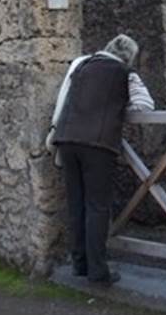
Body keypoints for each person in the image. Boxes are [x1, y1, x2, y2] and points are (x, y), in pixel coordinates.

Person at [46, 34, 154, 284]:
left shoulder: (81, 66)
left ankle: (80, 264)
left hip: (67, 139)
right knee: (97, 207)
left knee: (76, 204)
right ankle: (97, 270)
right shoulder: (125, 72)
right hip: (98, 144)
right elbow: (144, 105)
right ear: (129, 57)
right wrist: (118, 109)